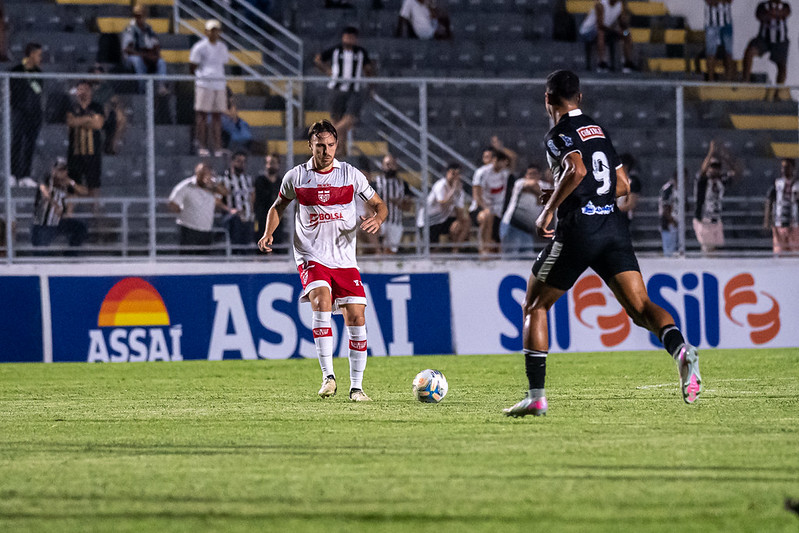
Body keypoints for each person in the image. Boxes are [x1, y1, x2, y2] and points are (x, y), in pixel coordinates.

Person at [503, 70, 701, 418]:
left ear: (547, 100)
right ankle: (680, 349)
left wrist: (547, 211)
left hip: (579, 229)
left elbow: (577, 170)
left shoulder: (557, 134)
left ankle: (536, 397)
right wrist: (570, 191)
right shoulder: (599, 130)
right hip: (612, 226)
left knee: (534, 305)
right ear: (579, 98)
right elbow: (621, 183)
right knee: (641, 308)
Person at [257, 120, 388, 402]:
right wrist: (268, 233)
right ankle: (328, 377)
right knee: (322, 302)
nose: (325, 151)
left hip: (344, 259)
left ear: (336, 145)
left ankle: (356, 387)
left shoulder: (351, 175)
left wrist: (378, 218)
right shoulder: (297, 177)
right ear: (310, 146)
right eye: (320, 145)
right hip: (310, 254)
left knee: (357, 317)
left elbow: (379, 204)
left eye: (330, 145)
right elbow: (277, 206)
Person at [314, 27, 374, 150]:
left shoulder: (361, 52)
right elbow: (318, 59)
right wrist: (327, 70)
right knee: (335, 118)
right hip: (336, 88)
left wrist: (371, 84)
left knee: (350, 118)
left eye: (352, 37)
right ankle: (339, 151)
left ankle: (329, 135)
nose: (349, 39)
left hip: (354, 89)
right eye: (347, 36)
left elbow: (368, 69)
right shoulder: (336, 50)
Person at [189, 19, 230, 157]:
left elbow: (222, 63)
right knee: (202, 115)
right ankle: (202, 146)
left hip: (219, 83)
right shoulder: (199, 47)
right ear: (206, 31)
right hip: (204, 84)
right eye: (212, 30)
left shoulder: (222, 47)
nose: (214, 33)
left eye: (216, 30)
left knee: (217, 116)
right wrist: (202, 76)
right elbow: (192, 66)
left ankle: (217, 147)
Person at [31, 158, 89, 253]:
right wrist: (56, 206)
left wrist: (72, 183)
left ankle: (71, 254)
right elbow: (45, 193)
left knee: (80, 227)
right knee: (41, 250)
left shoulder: (66, 182)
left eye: (64, 170)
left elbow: (84, 192)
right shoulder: (46, 179)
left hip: (60, 221)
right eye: (59, 170)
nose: (61, 173)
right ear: (53, 170)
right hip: (44, 222)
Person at [168, 162, 227, 253]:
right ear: (197, 173)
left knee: (204, 261)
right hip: (189, 229)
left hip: (206, 231)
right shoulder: (187, 185)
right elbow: (173, 202)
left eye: (208, 173)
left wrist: (215, 184)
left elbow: (225, 193)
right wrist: (185, 213)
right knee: (188, 259)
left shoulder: (212, 188)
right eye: (203, 173)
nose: (206, 176)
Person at [9, 43, 43, 182]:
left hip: (34, 113)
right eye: (39, 55)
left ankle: (25, 175)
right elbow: (11, 90)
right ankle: (13, 174)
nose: (40, 58)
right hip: (19, 111)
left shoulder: (38, 74)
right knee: (17, 142)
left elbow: (38, 91)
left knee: (30, 144)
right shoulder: (16, 70)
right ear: (31, 54)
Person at [693, 140, 734, 255]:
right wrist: (711, 152)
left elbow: (734, 172)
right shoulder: (703, 181)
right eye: (712, 166)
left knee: (718, 253)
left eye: (717, 167)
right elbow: (702, 171)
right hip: (704, 220)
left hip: (717, 220)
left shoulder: (721, 180)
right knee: (708, 252)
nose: (715, 169)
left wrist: (724, 156)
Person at [417, 162, 470, 251]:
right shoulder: (440, 185)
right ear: (447, 173)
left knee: (465, 222)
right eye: (453, 173)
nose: (455, 177)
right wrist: (453, 189)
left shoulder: (460, 190)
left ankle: (455, 251)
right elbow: (443, 203)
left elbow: (459, 210)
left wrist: (459, 223)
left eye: (458, 174)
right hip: (429, 220)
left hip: (443, 218)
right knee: (432, 250)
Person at [66, 80, 105, 199]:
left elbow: (98, 124)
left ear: (91, 91)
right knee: (73, 185)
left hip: (93, 152)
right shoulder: (72, 107)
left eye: (86, 89)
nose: (83, 92)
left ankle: (95, 213)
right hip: (75, 152)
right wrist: (89, 119)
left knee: (94, 184)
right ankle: (69, 213)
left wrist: (80, 121)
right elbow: (71, 122)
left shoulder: (97, 106)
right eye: (80, 89)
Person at [500, 164, 549, 256]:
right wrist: (539, 194)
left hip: (528, 229)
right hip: (511, 224)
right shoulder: (519, 183)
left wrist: (537, 193)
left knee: (527, 256)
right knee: (510, 255)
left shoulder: (545, 185)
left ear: (539, 175)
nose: (532, 176)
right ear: (526, 175)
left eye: (535, 173)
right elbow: (531, 185)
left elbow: (542, 201)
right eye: (529, 174)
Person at [470, 148, 510, 256]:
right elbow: (476, 195)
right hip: (480, 208)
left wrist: (499, 146)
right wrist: (486, 208)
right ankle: (483, 247)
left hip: (498, 211)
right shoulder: (482, 172)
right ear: (496, 160)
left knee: (498, 244)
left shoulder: (505, 174)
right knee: (487, 216)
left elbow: (514, 159)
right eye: (502, 161)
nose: (505, 164)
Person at [120, 4, 168, 95]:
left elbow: (156, 44)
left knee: (161, 62)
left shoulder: (148, 29)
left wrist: (156, 55)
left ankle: (161, 86)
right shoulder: (130, 28)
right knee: (137, 61)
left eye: (142, 15)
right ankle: (142, 89)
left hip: (147, 56)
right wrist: (145, 55)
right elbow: (127, 49)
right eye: (138, 16)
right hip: (131, 58)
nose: (140, 18)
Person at [742, 0, 791, 89]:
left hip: (780, 41)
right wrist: (776, 14)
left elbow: (785, 13)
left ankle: (778, 91)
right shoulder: (762, 5)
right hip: (763, 39)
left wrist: (771, 14)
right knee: (750, 52)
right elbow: (760, 16)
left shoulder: (785, 6)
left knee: (782, 66)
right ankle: (746, 81)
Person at [578, 0, 636, 73]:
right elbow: (600, 25)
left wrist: (625, 12)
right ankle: (602, 63)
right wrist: (617, 32)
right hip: (587, 32)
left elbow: (622, 24)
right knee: (601, 32)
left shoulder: (619, 6)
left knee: (627, 34)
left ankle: (627, 63)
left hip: (607, 30)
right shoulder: (600, 5)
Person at [374, 154, 411, 254]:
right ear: (382, 166)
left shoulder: (403, 184)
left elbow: (408, 206)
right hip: (379, 220)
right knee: (377, 245)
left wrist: (399, 203)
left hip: (395, 221)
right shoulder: (376, 183)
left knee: (391, 251)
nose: (390, 167)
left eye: (392, 164)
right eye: (387, 164)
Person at [219, 151, 255, 252]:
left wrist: (251, 210)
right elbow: (217, 201)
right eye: (238, 161)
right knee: (236, 246)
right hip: (233, 218)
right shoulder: (224, 179)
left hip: (248, 218)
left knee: (247, 248)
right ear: (232, 162)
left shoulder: (248, 179)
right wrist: (230, 210)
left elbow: (252, 195)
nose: (241, 164)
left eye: (243, 162)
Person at [89, 64, 127, 156]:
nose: (98, 75)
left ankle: (111, 146)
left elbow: (115, 101)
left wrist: (112, 107)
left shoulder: (106, 87)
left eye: (100, 73)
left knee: (120, 117)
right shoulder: (85, 86)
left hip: (105, 114)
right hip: (91, 113)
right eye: (96, 73)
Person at [764, 158, 799, 253]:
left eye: (787, 167)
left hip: (794, 225)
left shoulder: (797, 185)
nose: (784, 170)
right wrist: (767, 221)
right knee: (779, 252)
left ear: (793, 168)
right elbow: (769, 201)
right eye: (783, 168)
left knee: (794, 254)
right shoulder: (777, 184)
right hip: (779, 224)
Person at [254, 153, 286, 252]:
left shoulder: (281, 182)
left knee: (277, 247)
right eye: (269, 163)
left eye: (274, 163)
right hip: (262, 218)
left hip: (278, 219)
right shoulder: (260, 181)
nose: (271, 166)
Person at [704, 0, 736, 81]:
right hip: (711, 22)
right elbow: (709, 2)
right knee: (711, 52)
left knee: (728, 51)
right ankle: (711, 79)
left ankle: (729, 79)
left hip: (727, 21)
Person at [616, 152, 641, 231]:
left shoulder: (632, 181)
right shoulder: (614, 181)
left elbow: (631, 204)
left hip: (623, 218)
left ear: (625, 166)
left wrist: (613, 210)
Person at [658, 171, 680, 256]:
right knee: (669, 251)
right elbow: (665, 207)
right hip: (669, 224)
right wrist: (672, 220)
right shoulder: (668, 189)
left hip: (677, 223)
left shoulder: (680, 189)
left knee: (677, 251)